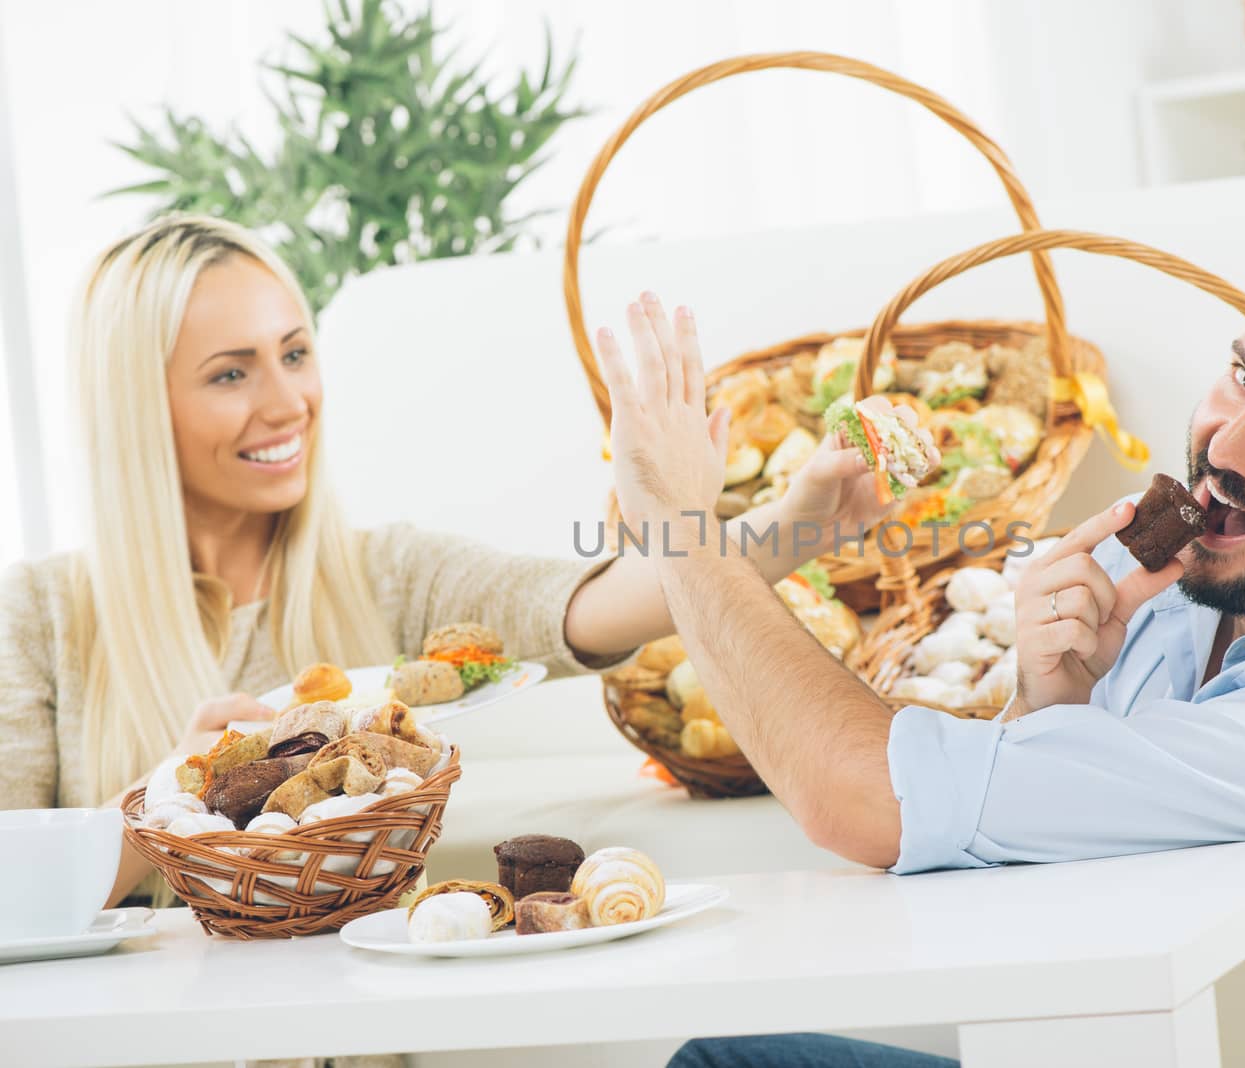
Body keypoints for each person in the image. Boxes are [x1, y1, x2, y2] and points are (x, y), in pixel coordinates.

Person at [590, 211, 1245, 1067]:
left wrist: (681, 526)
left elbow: (858, 798)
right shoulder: (1204, 586)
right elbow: (1018, 886)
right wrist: (1051, 703)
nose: (1226, 446)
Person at [0, 214, 917, 908]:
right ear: (134, 406)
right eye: (231, 374)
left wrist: (786, 534)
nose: (289, 403)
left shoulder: (387, 573)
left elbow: (581, 609)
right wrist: (174, 795)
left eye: (295, 354)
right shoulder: (35, 621)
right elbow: (16, 897)